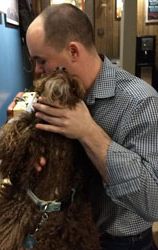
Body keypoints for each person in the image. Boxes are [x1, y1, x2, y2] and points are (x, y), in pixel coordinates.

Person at [27, 4, 158, 249]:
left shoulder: (142, 102)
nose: (37, 70)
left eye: (41, 60)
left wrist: (88, 131)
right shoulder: (55, 94)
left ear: (73, 51)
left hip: (120, 242)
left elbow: (153, 202)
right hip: (67, 231)